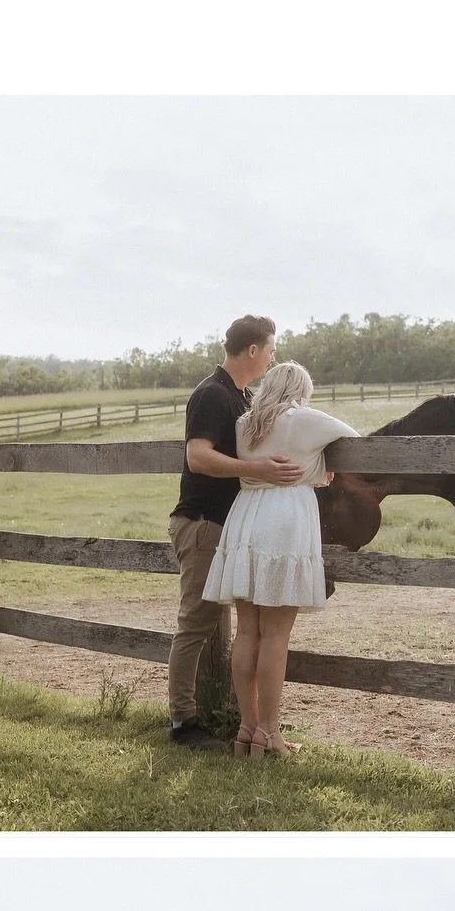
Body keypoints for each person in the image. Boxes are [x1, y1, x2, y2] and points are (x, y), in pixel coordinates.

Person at [202, 361, 359, 757]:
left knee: (248, 630)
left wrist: (313, 465)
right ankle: (270, 734)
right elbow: (356, 441)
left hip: (247, 516)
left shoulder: (245, 424)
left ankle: (247, 729)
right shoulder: (304, 419)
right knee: (275, 634)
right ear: (300, 390)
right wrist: (320, 466)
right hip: (286, 518)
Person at [167, 316, 305, 751]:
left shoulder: (241, 396)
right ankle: (183, 722)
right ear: (252, 350)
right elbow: (198, 458)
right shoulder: (212, 394)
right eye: (270, 349)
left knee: (224, 626)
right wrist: (257, 470)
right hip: (203, 523)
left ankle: (240, 722)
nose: (273, 356)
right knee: (196, 624)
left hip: (227, 527)